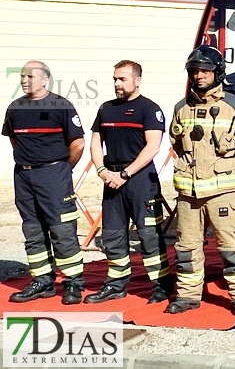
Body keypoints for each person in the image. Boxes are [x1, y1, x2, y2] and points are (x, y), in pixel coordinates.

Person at [165, 46, 235, 316]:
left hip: (223, 194)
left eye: (205, 71)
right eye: (194, 71)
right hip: (188, 194)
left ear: (217, 72)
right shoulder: (181, 109)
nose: (199, 76)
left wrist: (229, 168)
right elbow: (176, 143)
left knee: (230, 246)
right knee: (186, 248)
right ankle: (187, 296)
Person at [85, 60, 173, 304]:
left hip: (139, 180)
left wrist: (125, 174)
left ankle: (161, 284)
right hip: (111, 180)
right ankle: (116, 284)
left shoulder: (149, 109)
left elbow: (153, 146)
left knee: (148, 235)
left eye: (122, 79)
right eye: (114, 78)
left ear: (137, 80)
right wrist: (102, 171)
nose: (117, 83)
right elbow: (95, 142)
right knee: (112, 235)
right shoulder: (106, 108)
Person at [3, 61, 86, 305]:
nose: (24, 80)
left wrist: (60, 169)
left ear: (45, 79)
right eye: (21, 76)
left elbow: (78, 144)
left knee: (62, 230)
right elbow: (15, 141)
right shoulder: (15, 108)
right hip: (24, 176)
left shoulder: (61, 106)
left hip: (54, 175)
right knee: (33, 229)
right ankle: (42, 281)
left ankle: (73, 284)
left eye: (30, 76)